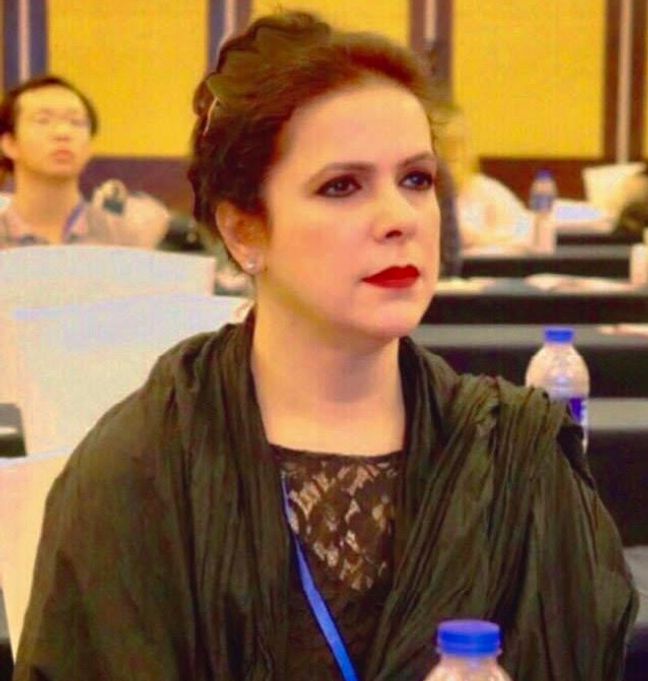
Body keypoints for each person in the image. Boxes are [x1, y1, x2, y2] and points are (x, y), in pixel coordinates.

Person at [14, 12, 636, 681]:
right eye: (341, 186)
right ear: (245, 231)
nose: (399, 218)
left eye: (417, 180)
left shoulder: (517, 459)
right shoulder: (141, 470)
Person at [0, 75, 168, 248]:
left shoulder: (129, 234)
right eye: (43, 121)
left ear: (89, 147)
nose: (63, 132)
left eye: (76, 122)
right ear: (10, 144)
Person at [435, 105, 530, 249]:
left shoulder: (488, 192)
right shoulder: (419, 196)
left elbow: (524, 236)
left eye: (456, 145)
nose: (451, 155)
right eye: (443, 147)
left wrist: (480, 240)